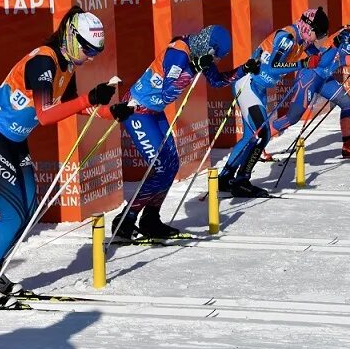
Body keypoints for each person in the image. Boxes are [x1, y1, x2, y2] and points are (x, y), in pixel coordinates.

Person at [0, 6, 116, 308]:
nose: (90, 57)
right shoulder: (43, 63)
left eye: (96, 53)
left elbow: (73, 105)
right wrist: (90, 98)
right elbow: (46, 115)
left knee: (30, 209)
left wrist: (111, 112)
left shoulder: (68, 65)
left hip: (15, 141)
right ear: (72, 37)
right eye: (88, 50)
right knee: (12, 215)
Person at [109, 25, 260, 240]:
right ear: (207, 47)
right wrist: (194, 67)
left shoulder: (199, 54)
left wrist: (245, 69)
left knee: (171, 166)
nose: (216, 61)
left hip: (154, 111)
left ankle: (151, 219)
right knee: (161, 168)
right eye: (216, 56)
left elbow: (217, 81)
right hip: (136, 110)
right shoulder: (179, 54)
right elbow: (168, 92)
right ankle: (125, 220)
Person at [218, 7, 329, 197]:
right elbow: (274, 66)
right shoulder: (287, 37)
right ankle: (242, 180)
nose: (315, 39)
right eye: (316, 34)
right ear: (307, 27)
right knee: (263, 134)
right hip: (248, 85)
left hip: (258, 88)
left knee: (250, 137)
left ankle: (225, 178)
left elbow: (322, 54)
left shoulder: (302, 41)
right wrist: (302, 64)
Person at [269, 9, 350, 159]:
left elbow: (341, 59)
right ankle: (257, 141)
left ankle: (348, 146)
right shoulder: (347, 35)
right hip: (310, 77)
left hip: (324, 77)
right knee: (292, 118)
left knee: (347, 104)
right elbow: (332, 61)